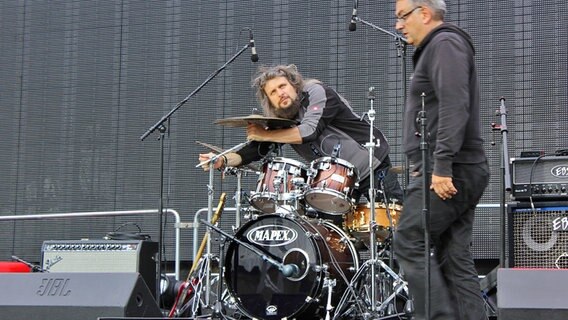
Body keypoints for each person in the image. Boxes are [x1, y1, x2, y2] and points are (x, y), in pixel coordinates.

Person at [392, 1, 490, 319]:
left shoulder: (445, 43)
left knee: (408, 240)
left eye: (402, 16)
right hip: (461, 168)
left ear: (424, 13)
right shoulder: (440, 46)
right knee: (455, 259)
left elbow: (454, 103)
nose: (398, 25)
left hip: (451, 170)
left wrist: (442, 166)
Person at [199, 64, 403, 211]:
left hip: (371, 164)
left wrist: (264, 133)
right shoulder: (280, 118)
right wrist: (222, 159)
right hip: (336, 182)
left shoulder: (317, 92)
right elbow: (255, 150)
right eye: (273, 92)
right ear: (269, 100)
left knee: (393, 227)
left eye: (283, 86)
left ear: (294, 85)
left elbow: (309, 131)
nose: (280, 93)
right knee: (334, 236)